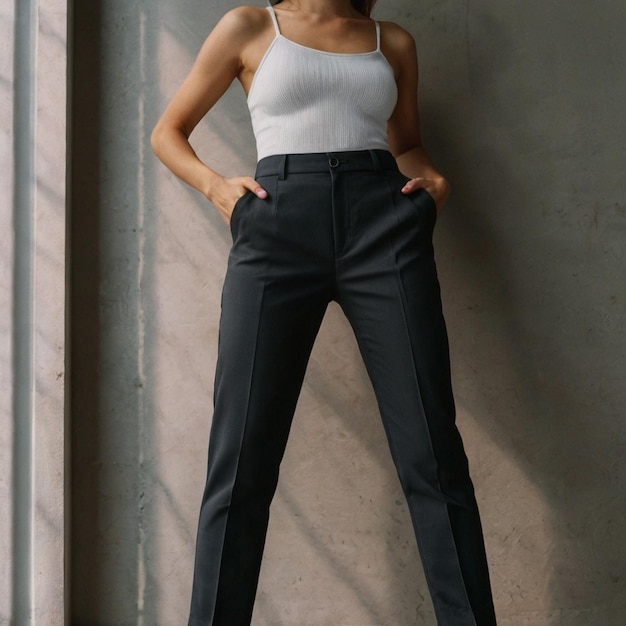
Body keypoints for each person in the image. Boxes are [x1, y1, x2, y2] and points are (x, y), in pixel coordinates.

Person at [151, 0, 497, 624]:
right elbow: (167, 132)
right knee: (241, 458)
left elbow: (408, 144)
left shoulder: (390, 40)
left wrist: (434, 185)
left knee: (432, 452)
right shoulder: (251, 26)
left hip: (383, 228)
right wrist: (217, 189)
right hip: (277, 227)